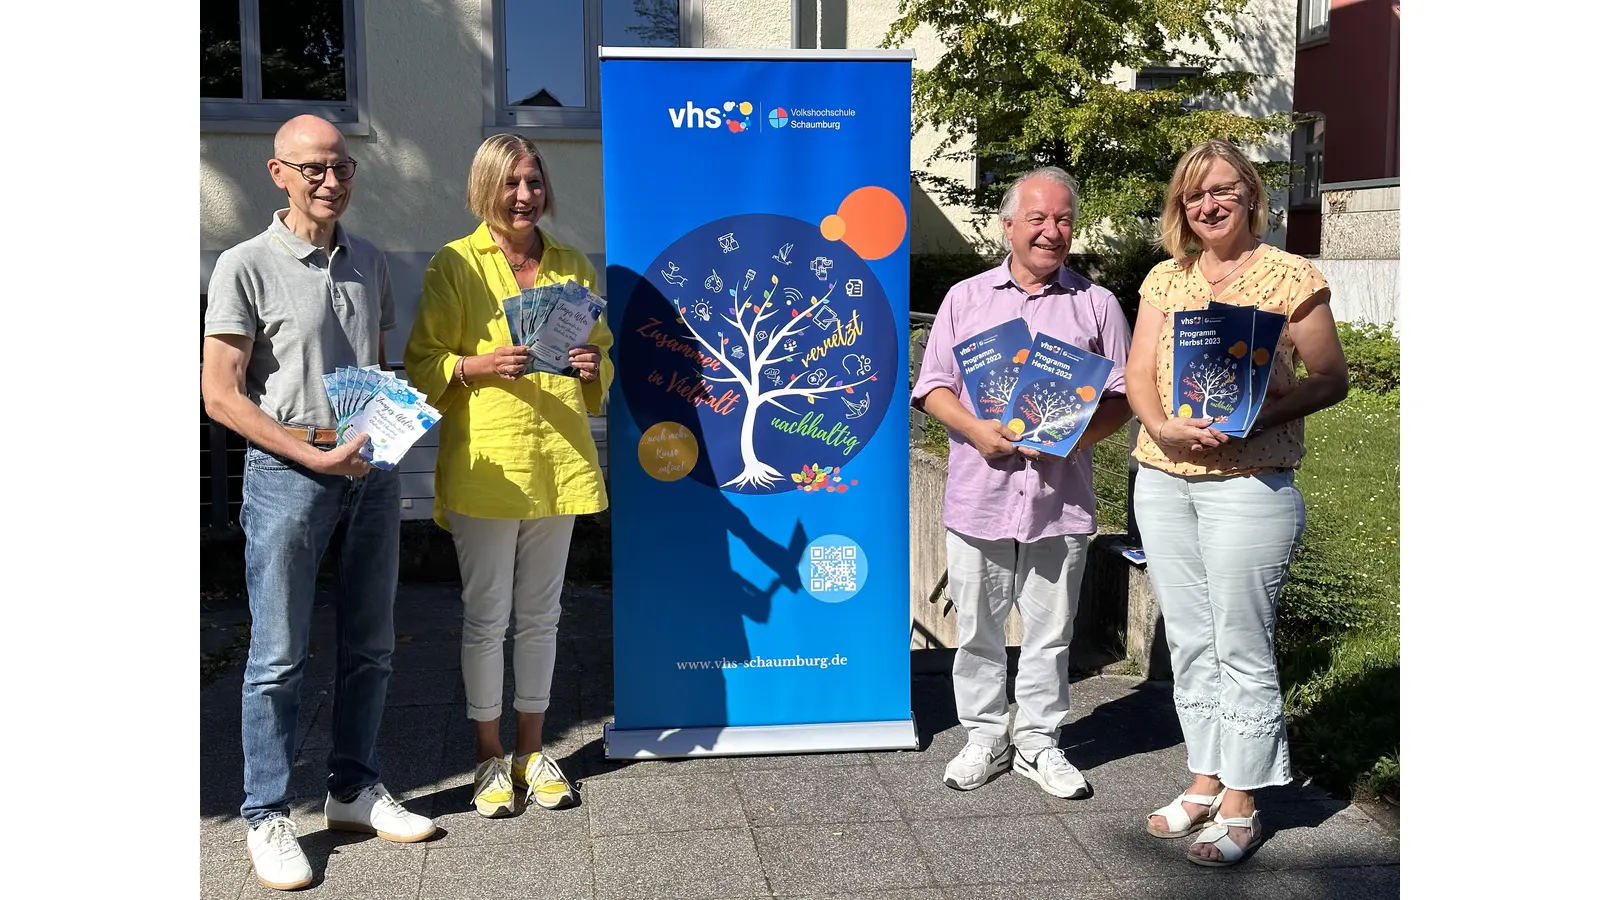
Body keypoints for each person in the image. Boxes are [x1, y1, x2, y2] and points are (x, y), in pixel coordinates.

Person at [201, 114, 436, 891]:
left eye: (342, 167)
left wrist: (389, 431)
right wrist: (311, 454)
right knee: (277, 658)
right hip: (287, 473)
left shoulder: (369, 260)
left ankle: (352, 789)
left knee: (372, 644)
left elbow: (375, 366)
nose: (331, 181)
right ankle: (266, 813)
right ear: (278, 173)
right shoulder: (244, 265)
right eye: (313, 169)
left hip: (367, 471)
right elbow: (219, 394)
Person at [1126, 138, 1348, 866]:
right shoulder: (1166, 278)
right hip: (1164, 478)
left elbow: (1330, 378)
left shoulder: (1289, 276)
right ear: (1180, 207)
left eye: (1223, 189)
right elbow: (1138, 375)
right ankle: (1204, 778)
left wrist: (1257, 416)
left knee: (1241, 643)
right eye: (1194, 194)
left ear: (1251, 193)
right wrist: (1161, 427)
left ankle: (1243, 801)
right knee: (1191, 640)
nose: (1209, 204)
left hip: (1249, 482)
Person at [404, 134, 612, 819]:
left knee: (543, 616)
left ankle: (532, 750)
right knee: (487, 616)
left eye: (534, 182)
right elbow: (423, 361)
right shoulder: (454, 264)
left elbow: (600, 354)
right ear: (484, 188)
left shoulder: (572, 263)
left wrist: (593, 366)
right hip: (488, 463)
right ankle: (488, 755)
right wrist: (476, 365)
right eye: (511, 183)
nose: (525, 196)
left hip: (558, 461)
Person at [912, 166, 1133, 799]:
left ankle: (1038, 742)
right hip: (980, 493)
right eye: (1037, 218)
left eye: (1063, 219)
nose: (1051, 231)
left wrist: (1074, 437)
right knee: (979, 630)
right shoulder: (966, 298)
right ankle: (985, 736)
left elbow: (1124, 396)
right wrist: (975, 430)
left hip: (1059, 500)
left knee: (1050, 633)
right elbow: (933, 387)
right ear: (1008, 226)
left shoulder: (1096, 304)